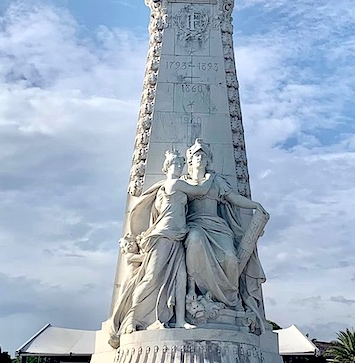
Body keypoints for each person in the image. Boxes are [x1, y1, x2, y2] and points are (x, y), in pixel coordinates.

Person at [108, 150, 212, 346]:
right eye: (176, 165)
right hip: (163, 236)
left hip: (178, 236)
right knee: (151, 277)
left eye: (181, 164)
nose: (179, 168)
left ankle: (180, 320)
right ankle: (132, 318)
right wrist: (208, 176)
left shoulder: (170, 188)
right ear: (167, 168)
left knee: (180, 278)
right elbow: (201, 190)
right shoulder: (174, 183)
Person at [182, 139, 267, 329]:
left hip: (217, 226)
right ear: (190, 160)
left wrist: (255, 205)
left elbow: (233, 198)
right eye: (197, 155)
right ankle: (191, 290)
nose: (200, 158)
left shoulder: (215, 180)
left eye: (203, 155)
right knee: (195, 240)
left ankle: (229, 298)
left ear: (209, 160)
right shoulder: (183, 182)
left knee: (230, 258)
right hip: (195, 224)